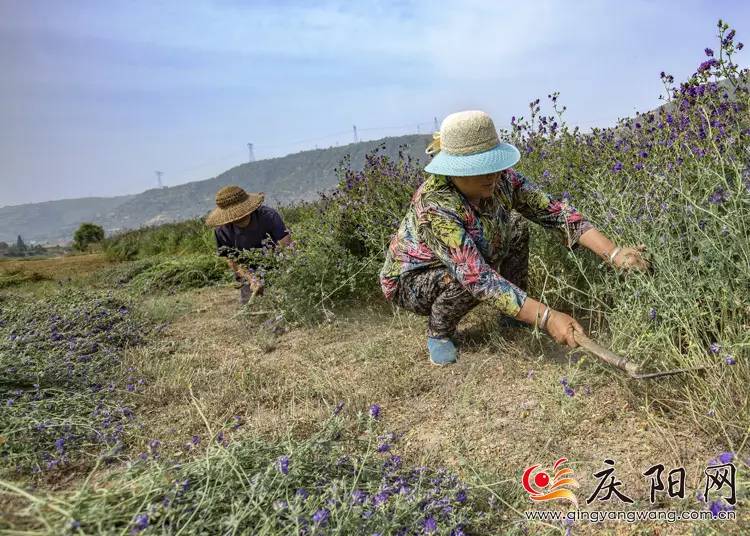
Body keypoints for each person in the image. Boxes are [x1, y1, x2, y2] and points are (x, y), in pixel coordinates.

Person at [379, 110, 650, 366]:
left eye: (492, 165)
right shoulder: (435, 206)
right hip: (413, 279)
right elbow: (477, 277)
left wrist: (613, 253)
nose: (491, 175)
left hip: (470, 258)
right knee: (463, 275)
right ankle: (439, 332)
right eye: (478, 168)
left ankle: (512, 316)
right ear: (454, 170)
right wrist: (547, 317)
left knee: (517, 226)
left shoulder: (502, 180)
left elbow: (553, 212)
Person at [205, 185, 291, 304]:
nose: (239, 218)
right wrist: (252, 279)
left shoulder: (268, 216)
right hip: (248, 272)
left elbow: (287, 247)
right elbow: (233, 261)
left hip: (277, 266)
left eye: (242, 214)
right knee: (253, 311)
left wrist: (281, 274)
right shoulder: (222, 231)